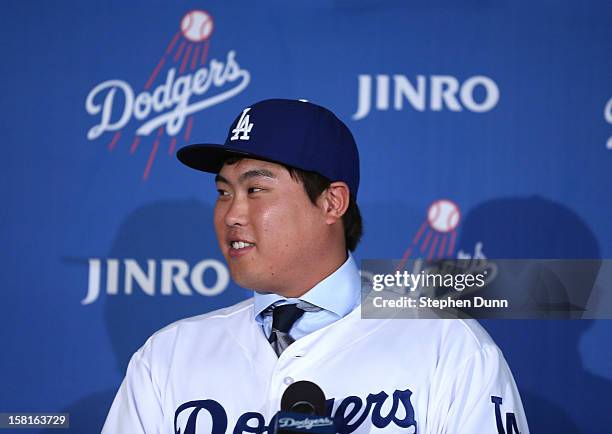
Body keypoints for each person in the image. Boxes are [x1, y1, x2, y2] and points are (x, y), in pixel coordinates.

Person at [102, 99, 529, 434]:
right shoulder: (167, 356)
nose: (231, 213)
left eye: (255, 189)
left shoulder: (448, 347)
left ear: (332, 202)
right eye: (223, 192)